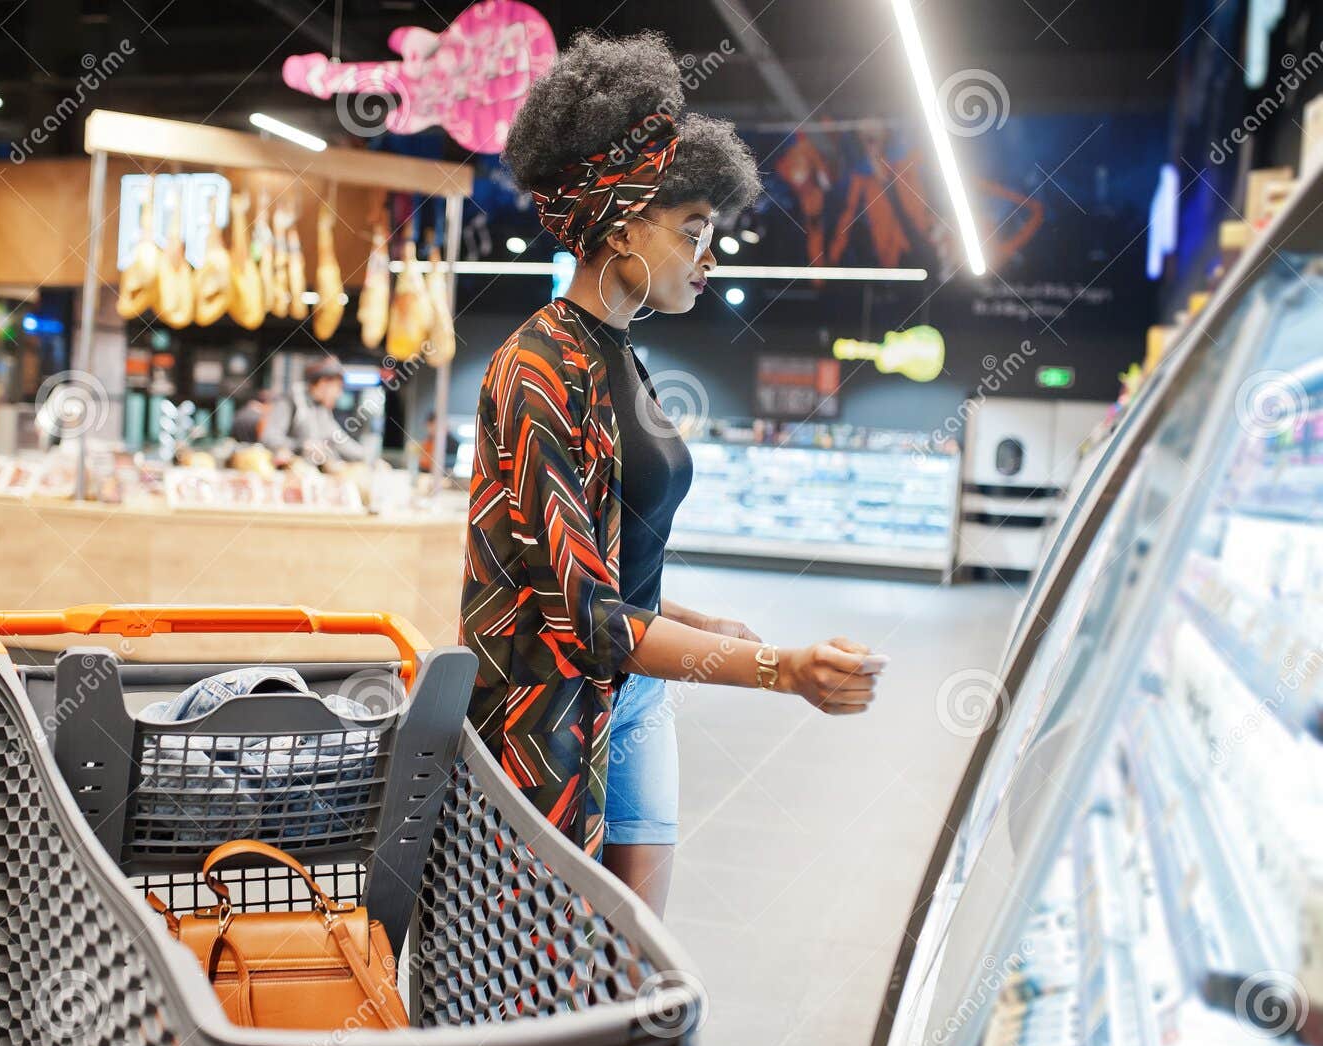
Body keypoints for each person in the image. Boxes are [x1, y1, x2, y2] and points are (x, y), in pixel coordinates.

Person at [460, 31, 881, 915]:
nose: (709, 254)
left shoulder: (618, 355)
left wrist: (689, 618)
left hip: (635, 694)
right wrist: (779, 667)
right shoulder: (534, 368)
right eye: (693, 231)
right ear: (620, 228)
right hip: (550, 719)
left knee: (640, 972)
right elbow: (584, 618)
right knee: (549, 964)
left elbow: (612, 561)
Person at [261, 357, 366, 464]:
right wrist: (301, 445)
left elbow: (339, 440)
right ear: (323, 382)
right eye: (338, 387)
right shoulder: (291, 401)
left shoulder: (322, 409)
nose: (339, 394)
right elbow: (269, 438)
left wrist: (365, 456)